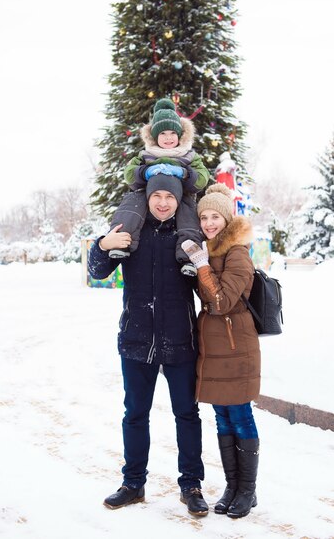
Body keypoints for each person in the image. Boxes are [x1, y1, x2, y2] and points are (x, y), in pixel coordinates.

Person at [88, 173, 209, 517]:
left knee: (186, 414)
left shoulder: (188, 237)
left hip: (181, 341)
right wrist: (102, 245)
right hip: (136, 340)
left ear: (177, 201)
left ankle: (191, 485)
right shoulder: (131, 235)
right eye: (156, 196)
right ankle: (133, 483)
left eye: (169, 197)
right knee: (135, 414)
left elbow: (209, 284)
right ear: (147, 199)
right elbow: (98, 271)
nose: (163, 202)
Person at [181, 183, 261, 519]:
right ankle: (232, 485)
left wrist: (200, 264)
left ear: (227, 219)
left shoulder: (237, 252)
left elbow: (221, 301)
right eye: (204, 217)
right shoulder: (212, 251)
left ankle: (248, 490)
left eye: (215, 216)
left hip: (236, 346)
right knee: (222, 418)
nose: (209, 222)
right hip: (214, 348)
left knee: (240, 416)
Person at [108, 98, 210, 277]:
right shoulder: (146, 155)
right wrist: (145, 172)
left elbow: (202, 179)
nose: (168, 138)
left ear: (180, 135)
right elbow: (129, 174)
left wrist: (185, 173)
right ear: (154, 136)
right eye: (162, 133)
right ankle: (122, 241)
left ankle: (189, 257)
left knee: (189, 220)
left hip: (180, 198)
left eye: (172, 133)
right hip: (148, 196)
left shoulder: (189, 156)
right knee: (132, 206)